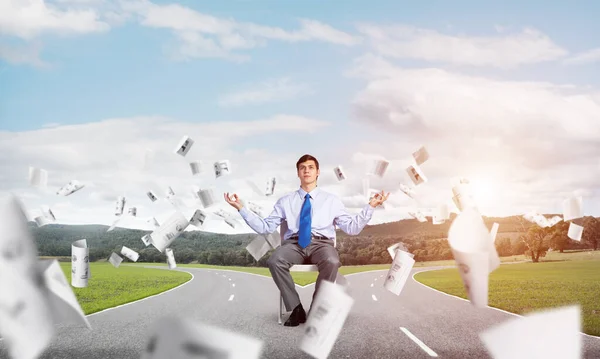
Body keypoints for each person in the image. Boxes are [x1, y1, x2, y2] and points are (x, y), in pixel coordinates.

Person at [224, 154, 389, 326]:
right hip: (293, 244)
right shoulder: (285, 201)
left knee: (332, 261)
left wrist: (371, 206)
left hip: (322, 244)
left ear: (318, 172)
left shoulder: (332, 200)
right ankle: (296, 309)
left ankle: (317, 307)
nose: (306, 170)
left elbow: (352, 228)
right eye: (302, 167)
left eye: (310, 167)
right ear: (298, 173)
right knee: (274, 260)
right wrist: (241, 208)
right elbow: (265, 227)